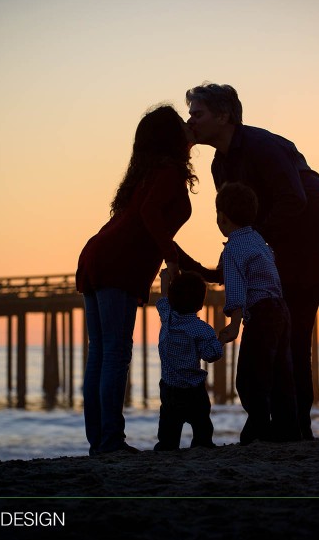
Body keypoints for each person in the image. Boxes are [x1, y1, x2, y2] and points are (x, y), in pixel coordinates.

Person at [183, 83, 319, 439]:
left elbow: (294, 199)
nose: (190, 120)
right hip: (286, 254)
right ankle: (298, 428)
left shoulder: (263, 145)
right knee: (294, 341)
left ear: (223, 115)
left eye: (197, 113)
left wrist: (253, 242)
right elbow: (237, 226)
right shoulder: (220, 166)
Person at [76, 104, 197, 455]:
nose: (187, 127)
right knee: (114, 352)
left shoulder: (148, 175)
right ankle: (110, 441)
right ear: (171, 137)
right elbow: (150, 218)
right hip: (118, 264)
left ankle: (100, 442)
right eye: (180, 124)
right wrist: (173, 261)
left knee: (100, 352)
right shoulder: (169, 172)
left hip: (97, 255)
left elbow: (157, 233)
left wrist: (202, 270)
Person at [189, 181, 300, 445]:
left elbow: (236, 289)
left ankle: (258, 431)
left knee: (250, 379)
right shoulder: (258, 240)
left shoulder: (233, 250)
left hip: (261, 314)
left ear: (222, 217)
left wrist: (234, 324)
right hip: (281, 311)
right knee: (281, 374)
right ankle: (288, 430)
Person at [153, 268, 223, 451]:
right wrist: (221, 340)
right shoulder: (202, 329)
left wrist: (165, 278)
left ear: (172, 299)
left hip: (169, 388)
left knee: (168, 423)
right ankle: (202, 444)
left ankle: (167, 446)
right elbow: (211, 355)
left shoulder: (167, 317)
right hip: (194, 389)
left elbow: (163, 298)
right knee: (202, 424)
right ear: (200, 304)